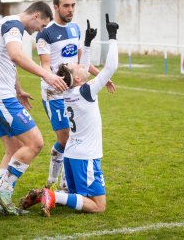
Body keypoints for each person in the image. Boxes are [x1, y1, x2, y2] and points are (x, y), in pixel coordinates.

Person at [19, 14, 119, 217]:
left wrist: (87, 44)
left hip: (71, 155)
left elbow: (80, 70)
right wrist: (113, 36)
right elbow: (111, 67)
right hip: (86, 157)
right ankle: (51, 195)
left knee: (78, 197)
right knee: (98, 206)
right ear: (80, 77)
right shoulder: (87, 90)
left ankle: (48, 195)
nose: (81, 64)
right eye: (78, 66)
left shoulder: (68, 90)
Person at [0, 1, 67, 216]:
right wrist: (47, 74)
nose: (41, 29)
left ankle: (2, 206)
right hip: (0, 98)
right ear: (36, 15)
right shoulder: (14, 27)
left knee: (12, 151)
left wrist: (18, 89)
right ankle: (3, 189)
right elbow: (16, 56)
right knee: (36, 143)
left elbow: (7, 62)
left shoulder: (5, 22)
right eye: (42, 24)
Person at [35, 0, 116, 191]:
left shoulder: (75, 29)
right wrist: (53, 79)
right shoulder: (45, 33)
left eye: (73, 5)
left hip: (74, 89)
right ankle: (53, 180)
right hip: (54, 92)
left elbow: (82, 62)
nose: (71, 9)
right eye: (66, 6)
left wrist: (101, 77)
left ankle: (64, 185)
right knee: (65, 139)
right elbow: (44, 65)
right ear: (55, 7)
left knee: (74, 137)